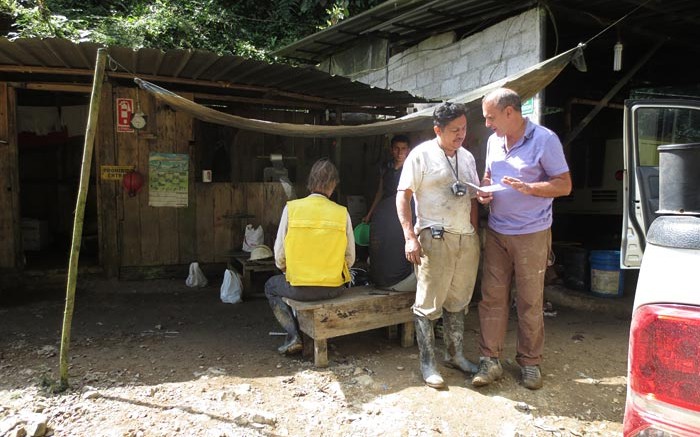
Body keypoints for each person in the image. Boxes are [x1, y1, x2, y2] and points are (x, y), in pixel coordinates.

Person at [472, 88, 572, 390]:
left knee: (529, 301)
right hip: (498, 231)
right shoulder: (493, 141)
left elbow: (564, 185)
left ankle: (530, 362)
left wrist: (531, 188)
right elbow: (489, 175)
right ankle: (490, 361)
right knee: (492, 298)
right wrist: (484, 192)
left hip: (532, 233)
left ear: (510, 113)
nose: (487, 123)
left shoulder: (545, 140)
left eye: (491, 117)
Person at [396, 102, 481, 389]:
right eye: (455, 130)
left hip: (465, 237)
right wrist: (409, 236)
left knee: (459, 301)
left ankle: (455, 355)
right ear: (437, 130)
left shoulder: (467, 157)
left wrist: (482, 203)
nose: (461, 135)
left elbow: (471, 196)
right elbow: (403, 196)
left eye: (464, 128)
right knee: (428, 304)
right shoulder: (421, 155)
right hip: (435, 236)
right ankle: (427, 362)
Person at [264, 158, 355, 355]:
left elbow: (279, 256)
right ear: (333, 184)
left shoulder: (292, 209)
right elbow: (350, 259)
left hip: (299, 289)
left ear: (310, 182)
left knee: (271, 286)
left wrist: (291, 272)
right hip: (333, 289)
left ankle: (293, 335)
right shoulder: (342, 213)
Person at [364, 135, 416, 291]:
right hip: (385, 212)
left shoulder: (412, 168)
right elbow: (380, 192)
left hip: (405, 212)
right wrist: (370, 214)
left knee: (401, 243)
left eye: (404, 148)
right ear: (391, 150)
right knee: (384, 244)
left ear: (408, 150)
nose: (400, 152)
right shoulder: (386, 167)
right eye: (396, 148)